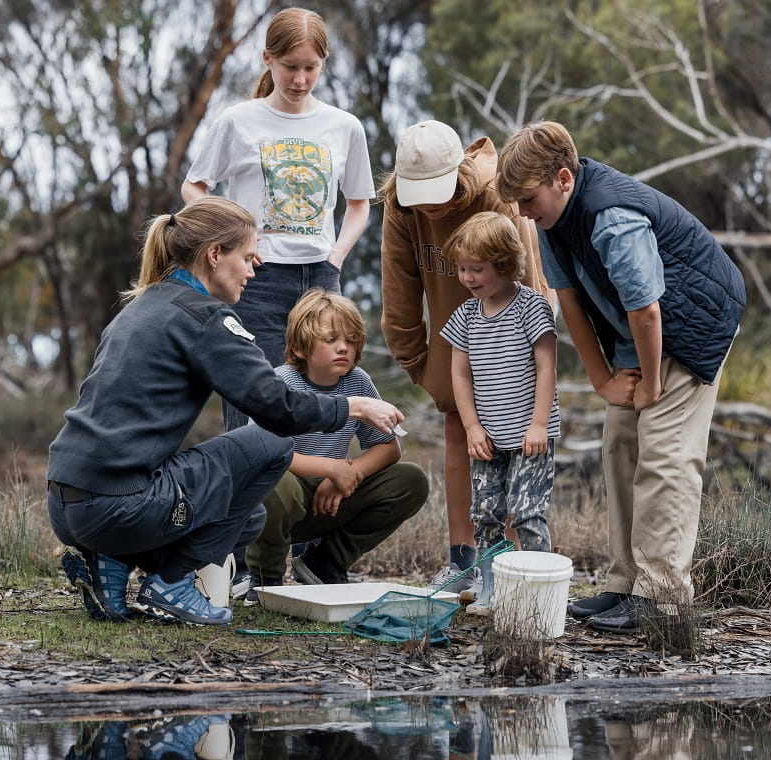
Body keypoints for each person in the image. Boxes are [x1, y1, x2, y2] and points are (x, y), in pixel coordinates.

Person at [46, 197, 404, 627]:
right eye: (249, 258)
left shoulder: (139, 308)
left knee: (250, 514)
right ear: (215, 255)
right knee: (268, 446)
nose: (254, 271)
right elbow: (277, 407)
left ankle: (112, 562)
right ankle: (171, 582)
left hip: (65, 503)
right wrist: (355, 406)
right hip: (120, 505)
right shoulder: (205, 319)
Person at [495, 120, 746, 633]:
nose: (521, 211)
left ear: (563, 178)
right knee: (619, 446)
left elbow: (648, 310)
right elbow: (569, 304)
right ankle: (624, 583)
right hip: (638, 333)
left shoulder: (611, 217)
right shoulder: (551, 226)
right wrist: (603, 381)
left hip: (689, 326)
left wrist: (651, 384)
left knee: (664, 454)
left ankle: (662, 597)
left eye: (527, 197)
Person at [379, 119, 552, 598]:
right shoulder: (400, 207)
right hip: (453, 338)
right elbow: (399, 290)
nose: (430, 203)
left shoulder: (494, 194)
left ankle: (514, 568)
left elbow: (530, 274)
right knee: (458, 430)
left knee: (513, 440)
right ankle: (463, 561)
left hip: (511, 335)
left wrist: (526, 356)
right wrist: (421, 365)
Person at [181, 6, 375, 432]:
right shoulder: (237, 121)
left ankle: (317, 491)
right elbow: (195, 187)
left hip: (321, 278)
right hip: (255, 281)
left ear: (324, 63)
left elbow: (359, 203)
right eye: (290, 67)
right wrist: (230, 243)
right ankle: (250, 499)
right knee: (253, 402)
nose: (300, 79)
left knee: (324, 397)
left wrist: (336, 257)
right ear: (267, 59)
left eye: (311, 67)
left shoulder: (344, 127)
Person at [243, 289, 429, 601]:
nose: (343, 347)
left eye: (351, 339)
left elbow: (389, 447)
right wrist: (331, 468)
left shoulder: (358, 382)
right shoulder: (282, 382)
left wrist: (347, 474)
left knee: (411, 480)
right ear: (302, 347)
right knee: (275, 483)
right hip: (282, 499)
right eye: (330, 340)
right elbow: (263, 452)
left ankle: (325, 562)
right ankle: (265, 576)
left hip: (331, 500)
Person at [440, 211, 560, 614]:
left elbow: (547, 367)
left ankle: (539, 594)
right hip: (487, 438)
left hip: (530, 436)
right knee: (487, 513)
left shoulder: (532, 308)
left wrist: (539, 424)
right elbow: (460, 374)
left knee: (526, 512)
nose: (469, 278)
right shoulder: (466, 317)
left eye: (477, 268)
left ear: (506, 263)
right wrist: (472, 427)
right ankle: (493, 592)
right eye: (461, 269)